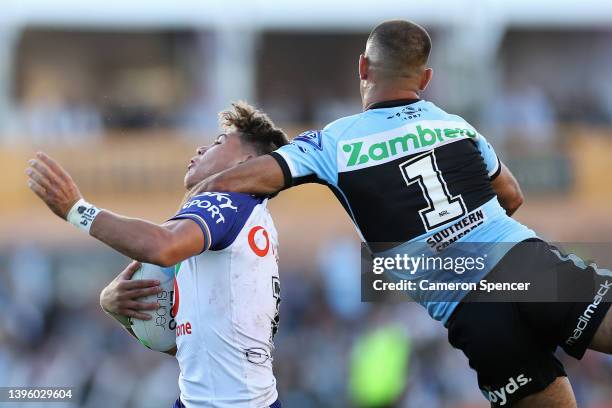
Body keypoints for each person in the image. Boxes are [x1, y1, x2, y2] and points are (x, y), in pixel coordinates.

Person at [187, 20, 612, 407]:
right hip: (524, 265)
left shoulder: (332, 142)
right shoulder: (455, 125)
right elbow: (512, 195)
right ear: (426, 78)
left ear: (362, 68)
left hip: (470, 312)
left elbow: (246, 178)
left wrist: (198, 193)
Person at [26, 102, 287, 408]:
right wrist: (123, 314)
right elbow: (196, 347)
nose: (202, 147)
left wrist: (77, 211)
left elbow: (162, 246)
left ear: (246, 161)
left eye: (219, 142)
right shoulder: (251, 220)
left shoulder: (228, 203)